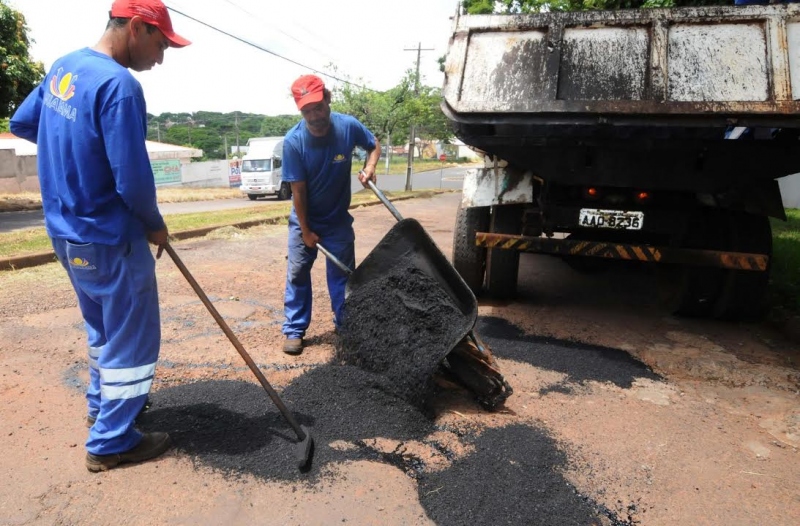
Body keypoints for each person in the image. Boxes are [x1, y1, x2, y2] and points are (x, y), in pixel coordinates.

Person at [10, 0, 190, 472]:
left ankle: (101, 406)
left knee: (103, 329)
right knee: (133, 338)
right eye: (160, 43)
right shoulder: (120, 86)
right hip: (111, 237)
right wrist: (154, 223)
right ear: (136, 28)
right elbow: (132, 179)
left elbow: (23, 122)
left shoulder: (64, 68)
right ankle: (112, 440)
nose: (162, 57)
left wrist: (70, 153)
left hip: (66, 234)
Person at [281, 74, 381, 355]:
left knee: (342, 277)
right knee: (298, 272)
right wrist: (306, 230)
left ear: (327, 98)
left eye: (318, 107)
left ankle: (345, 325)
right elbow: (297, 193)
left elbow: (373, 145)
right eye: (306, 111)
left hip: (337, 221)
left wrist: (370, 166)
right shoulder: (294, 142)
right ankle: (294, 329)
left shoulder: (347, 126)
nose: (314, 116)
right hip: (305, 220)